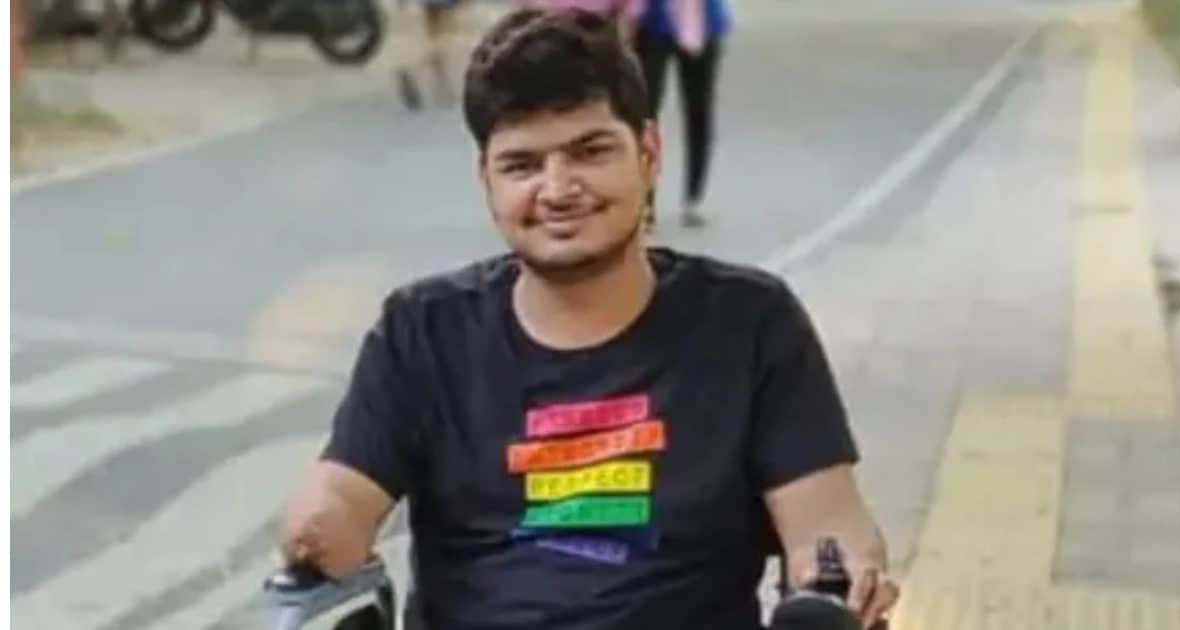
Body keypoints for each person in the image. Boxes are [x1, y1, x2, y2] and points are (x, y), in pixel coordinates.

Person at [281, 7, 898, 630]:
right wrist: (321, 528)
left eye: (590, 151)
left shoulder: (752, 324)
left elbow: (828, 528)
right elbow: (341, 495)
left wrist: (835, 581)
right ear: (486, 179)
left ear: (648, 153)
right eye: (522, 165)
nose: (557, 189)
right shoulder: (422, 331)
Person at [632, 0, 729, 228]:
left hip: (701, 20)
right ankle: (644, 199)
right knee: (645, 113)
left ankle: (694, 197)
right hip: (652, 20)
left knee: (699, 111)